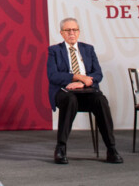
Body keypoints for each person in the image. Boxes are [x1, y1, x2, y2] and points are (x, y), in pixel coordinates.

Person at [47, 17, 123, 164]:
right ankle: (61, 148)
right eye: (67, 30)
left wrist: (82, 83)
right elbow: (53, 75)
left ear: (79, 32)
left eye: (74, 30)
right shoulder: (54, 51)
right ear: (61, 33)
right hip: (64, 91)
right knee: (70, 100)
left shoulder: (88, 49)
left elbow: (98, 74)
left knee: (101, 100)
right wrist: (75, 77)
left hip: (86, 91)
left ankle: (111, 149)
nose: (71, 33)